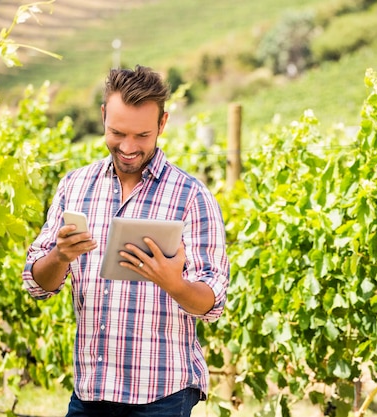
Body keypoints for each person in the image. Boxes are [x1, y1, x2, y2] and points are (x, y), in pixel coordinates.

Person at [22, 65, 230, 417]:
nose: (129, 147)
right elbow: (36, 284)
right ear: (103, 116)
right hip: (91, 391)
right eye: (118, 132)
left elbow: (212, 304)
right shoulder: (75, 187)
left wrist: (173, 283)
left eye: (142, 135)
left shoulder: (191, 197)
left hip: (163, 395)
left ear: (162, 125)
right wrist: (59, 256)